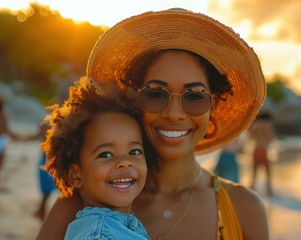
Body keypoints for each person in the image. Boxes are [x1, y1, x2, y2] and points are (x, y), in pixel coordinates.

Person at [36, 9, 269, 240]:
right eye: (156, 94)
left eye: (194, 96)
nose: (174, 114)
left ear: (213, 105)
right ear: (133, 98)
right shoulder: (84, 200)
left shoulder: (243, 209)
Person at [41, 77, 150, 239]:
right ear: (75, 175)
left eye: (134, 152)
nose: (125, 162)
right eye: (105, 154)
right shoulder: (99, 235)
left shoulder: (105, 226)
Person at [247, 111, 275, 196]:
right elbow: (271, 138)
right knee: (268, 172)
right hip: (263, 150)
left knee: (254, 172)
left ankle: (252, 191)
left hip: (256, 150)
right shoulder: (267, 126)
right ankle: (269, 191)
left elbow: (249, 137)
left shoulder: (256, 126)